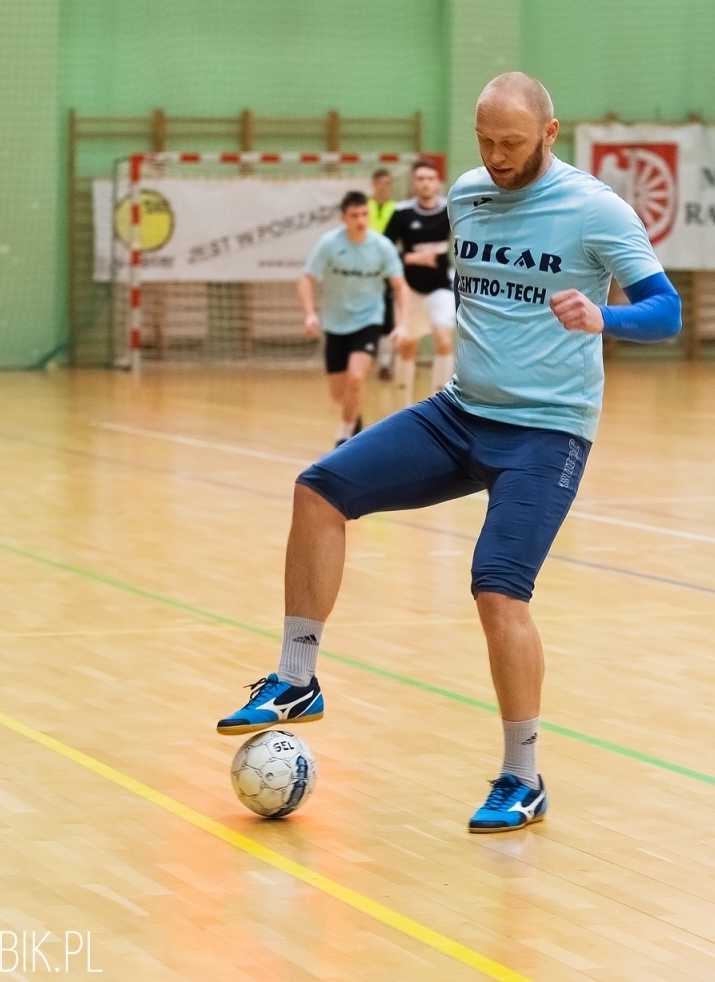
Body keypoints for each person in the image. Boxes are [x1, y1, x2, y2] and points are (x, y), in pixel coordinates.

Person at [217, 73, 683, 834]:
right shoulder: (468, 194)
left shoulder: (595, 209)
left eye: (514, 144)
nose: (498, 158)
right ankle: (298, 679)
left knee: (498, 590)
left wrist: (601, 316)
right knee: (319, 489)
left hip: (546, 431)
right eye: (487, 142)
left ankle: (522, 777)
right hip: (461, 412)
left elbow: (667, 312)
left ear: (550, 133)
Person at [298, 191, 402, 447]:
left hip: (369, 320)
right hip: (335, 323)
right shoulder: (329, 244)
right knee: (340, 394)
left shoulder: (381, 246)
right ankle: (354, 420)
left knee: (356, 378)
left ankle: (344, 438)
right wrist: (310, 313)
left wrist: (403, 323)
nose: (361, 220)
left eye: (365, 214)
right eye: (354, 215)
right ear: (344, 218)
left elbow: (400, 285)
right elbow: (306, 279)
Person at [385, 160, 455, 402]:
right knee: (407, 346)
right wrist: (411, 257)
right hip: (410, 289)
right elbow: (385, 250)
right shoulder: (401, 212)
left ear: (437, 183)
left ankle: (440, 404)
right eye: (421, 179)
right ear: (414, 183)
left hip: (441, 286)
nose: (426, 183)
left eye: (430, 179)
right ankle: (402, 407)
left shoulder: (450, 209)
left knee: (444, 339)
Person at [367, 168, 399, 380]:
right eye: (381, 183)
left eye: (388, 183)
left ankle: (385, 363)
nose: (384, 187)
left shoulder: (397, 210)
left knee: (388, 316)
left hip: (387, 270)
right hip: (364, 270)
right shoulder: (364, 208)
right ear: (373, 184)